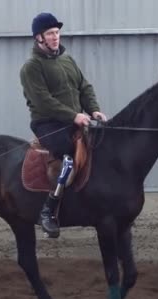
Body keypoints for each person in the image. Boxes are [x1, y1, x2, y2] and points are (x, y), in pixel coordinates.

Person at [20, 12, 107, 238]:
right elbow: (44, 102)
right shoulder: (31, 68)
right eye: (50, 33)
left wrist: (93, 109)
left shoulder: (67, 60)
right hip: (48, 123)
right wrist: (74, 116)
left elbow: (84, 87)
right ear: (39, 38)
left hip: (73, 118)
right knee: (68, 155)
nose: (55, 37)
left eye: (57, 32)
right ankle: (49, 210)